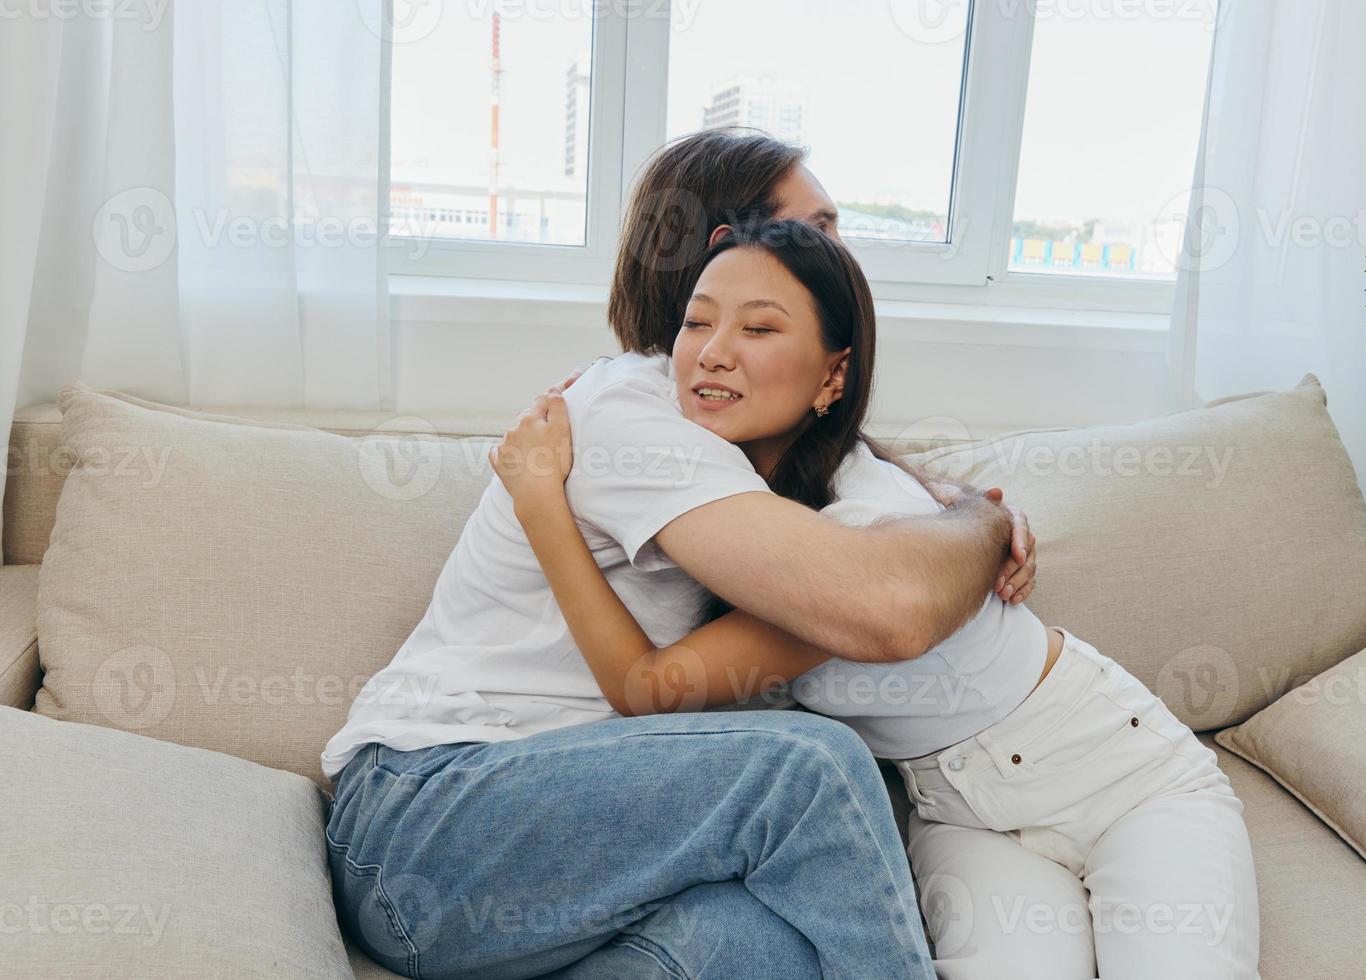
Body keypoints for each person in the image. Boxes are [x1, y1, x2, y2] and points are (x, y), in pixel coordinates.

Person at [321, 129, 1038, 980]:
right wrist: (979, 529)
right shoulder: (636, 414)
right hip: (426, 824)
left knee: (769, 945)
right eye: (817, 232)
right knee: (809, 769)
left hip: (551, 842)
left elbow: (863, 484)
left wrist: (960, 505)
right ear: (728, 253)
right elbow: (889, 611)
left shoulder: (729, 424)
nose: (844, 260)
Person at [492, 217, 1261, 980]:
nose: (714, 351)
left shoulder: (858, 537)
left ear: (833, 376)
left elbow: (651, 688)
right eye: (697, 322)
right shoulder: (730, 508)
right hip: (963, 818)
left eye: (760, 329)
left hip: (1121, 776)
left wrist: (540, 503)